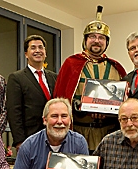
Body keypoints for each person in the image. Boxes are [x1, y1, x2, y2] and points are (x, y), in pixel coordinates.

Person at [53, 5, 126, 154]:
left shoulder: (116, 68)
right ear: (85, 40)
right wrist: (81, 107)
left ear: (106, 42)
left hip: (109, 134)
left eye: (101, 38)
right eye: (92, 37)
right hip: (79, 133)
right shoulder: (71, 64)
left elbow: (125, 102)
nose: (96, 41)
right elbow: (60, 99)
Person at [10, 98, 89, 169]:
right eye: (54, 116)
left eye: (64, 116)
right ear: (44, 120)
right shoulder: (29, 145)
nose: (60, 121)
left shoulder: (80, 142)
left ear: (70, 120)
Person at [6, 35, 57, 152]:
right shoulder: (16, 78)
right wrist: (19, 141)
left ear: (45, 53)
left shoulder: (54, 77)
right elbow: (14, 111)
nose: (38, 51)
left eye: (41, 47)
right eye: (33, 48)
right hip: (30, 138)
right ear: (26, 54)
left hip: (54, 136)